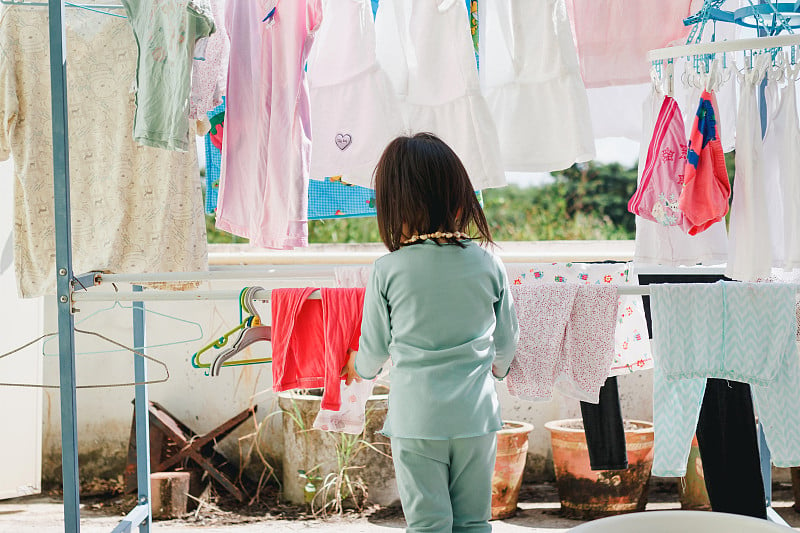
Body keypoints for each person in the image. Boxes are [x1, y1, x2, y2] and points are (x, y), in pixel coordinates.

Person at [341, 133, 520, 532]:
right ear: (460, 201)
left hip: (417, 419)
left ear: (393, 207)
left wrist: (359, 368)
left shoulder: (387, 270)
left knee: (428, 524)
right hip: (477, 416)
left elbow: (372, 349)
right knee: (474, 522)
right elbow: (506, 343)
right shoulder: (489, 263)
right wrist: (499, 371)